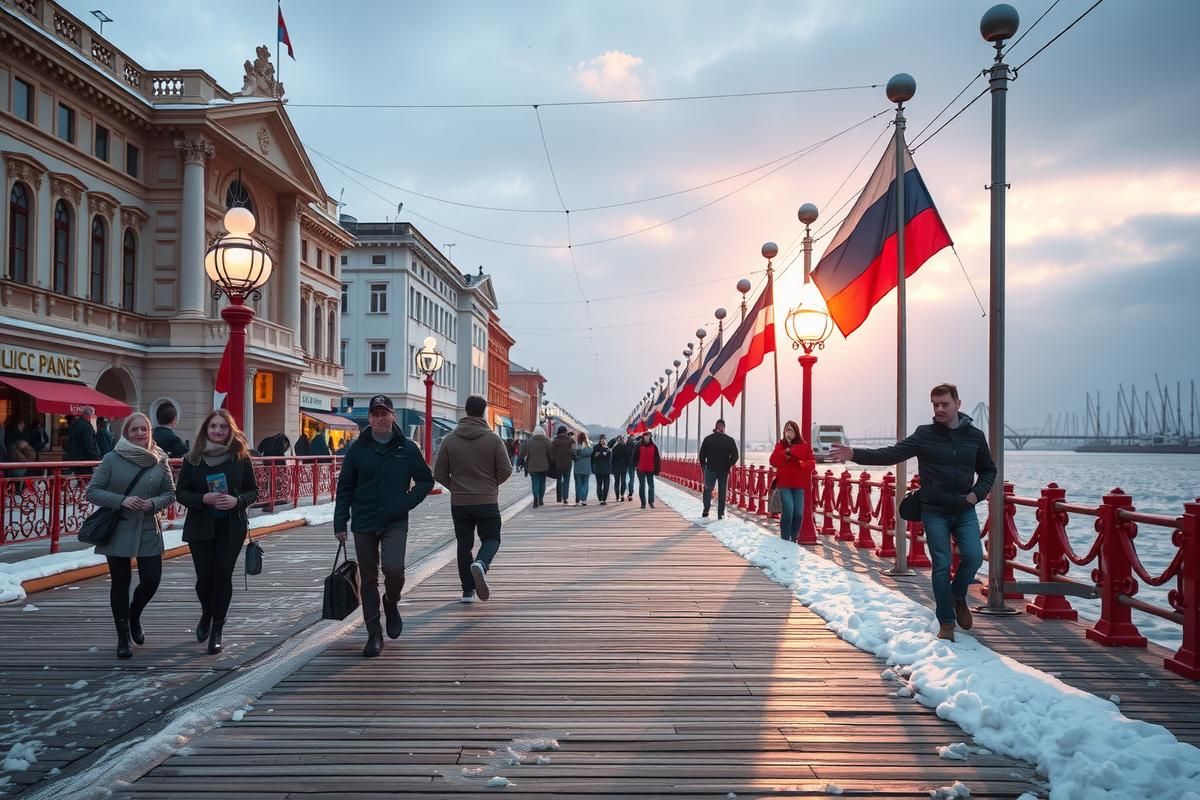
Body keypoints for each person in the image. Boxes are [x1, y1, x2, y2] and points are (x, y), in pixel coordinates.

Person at [831, 383, 996, 642]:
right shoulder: (925, 434)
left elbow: (988, 470)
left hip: (965, 508)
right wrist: (854, 453)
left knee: (974, 557)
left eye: (945, 404)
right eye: (935, 404)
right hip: (934, 509)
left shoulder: (974, 437)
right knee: (941, 564)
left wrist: (977, 493)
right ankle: (946, 621)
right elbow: (891, 454)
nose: (939, 409)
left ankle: (958, 594)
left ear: (958, 404)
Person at [333, 395, 434, 657]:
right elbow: (345, 487)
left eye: (384, 413)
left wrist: (406, 502)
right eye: (375, 414)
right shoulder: (357, 449)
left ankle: (391, 601)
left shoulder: (407, 448)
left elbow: (425, 480)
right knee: (368, 578)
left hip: (394, 520)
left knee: (394, 569)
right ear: (369, 418)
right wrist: (340, 521)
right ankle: (374, 633)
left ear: (393, 417)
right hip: (364, 520)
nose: (380, 418)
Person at [85, 413, 176, 659]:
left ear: (150, 432)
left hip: (148, 526)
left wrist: (153, 503)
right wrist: (122, 500)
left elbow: (169, 493)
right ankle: (123, 635)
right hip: (119, 527)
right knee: (120, 582)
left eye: (144, 429)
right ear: (126, 433)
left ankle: (134, 614)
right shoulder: (112, 459)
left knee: (151, 579)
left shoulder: (160, 459)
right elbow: (92, 492)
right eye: (134, 429)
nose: (139, 434)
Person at [176, 409, 260, 655]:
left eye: (223, 427)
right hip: (200, 525)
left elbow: (253, 490)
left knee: (222, 575)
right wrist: (203, 498)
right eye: (213, 426)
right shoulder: (192, 458)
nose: (217, 431)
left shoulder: (240, 457)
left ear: (230, 430)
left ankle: (217, 629)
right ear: (206, 430)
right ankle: (206, 613)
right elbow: (181, 493)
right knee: (204, 579)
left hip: (231, 526)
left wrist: (238, 501)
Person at [434, 395, 513, 604]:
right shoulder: (493, 439)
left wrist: (456, 488)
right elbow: (506, 470)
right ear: (484, 412)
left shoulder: (450, 439)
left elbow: (439, 473)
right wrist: (490, 486)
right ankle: (482, 564)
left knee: (463, 544)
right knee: (492, 538)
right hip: (486, 500)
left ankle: (467, 592)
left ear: (466, 411)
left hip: (460, 503)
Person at [769, 420, 816, 543]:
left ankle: (793, 539)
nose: (788, 432)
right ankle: (785, 539)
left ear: (796, 432)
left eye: (791, 430)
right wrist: (786, 453)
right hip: (783, 484)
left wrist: (801, 463)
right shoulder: (780, 445)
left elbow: (812, 463)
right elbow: (773, 462)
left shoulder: (804, 446)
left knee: (798, 513)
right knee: (788, 509)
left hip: (798, 485)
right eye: (786, 430)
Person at [699, 419, 739, 520]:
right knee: (722, 492)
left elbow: (702, 455)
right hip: (723, 470)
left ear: (716, 427)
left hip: (711, 468)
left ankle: (706, 509)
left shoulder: (708, 439)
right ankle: (720, 514)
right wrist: (728, 464)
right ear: (723, 427)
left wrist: (704, 466)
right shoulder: (729, 440)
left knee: (708, 489)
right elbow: (735, 456)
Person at [520, 428, 553, 507]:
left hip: (532, 466)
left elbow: (522, 453)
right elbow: (551, 455)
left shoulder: (529, 442)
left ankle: (535, 497)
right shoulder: (548, 442)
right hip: (544, 466)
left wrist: (521, 459)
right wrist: (550, 462)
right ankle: (541, 499)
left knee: (535, 482)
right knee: (542, 482)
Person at [65, 406, 101, 474]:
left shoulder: (75, 424)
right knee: (87, 481)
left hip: (75, 459)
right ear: (89, 415)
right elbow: (89, 444)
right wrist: (96, 457)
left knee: (81, 480)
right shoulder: (86, 426)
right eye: (92, 415)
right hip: (85, 460)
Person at [635, 431, 661, 509]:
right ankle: (643, 503)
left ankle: (651, 502)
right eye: (645, 437)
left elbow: (657, 459)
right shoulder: (638, 446)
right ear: (643, 437)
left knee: (651, 486)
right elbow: (634, 457)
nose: (647, 438)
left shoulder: (654, 447)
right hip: (641, 469)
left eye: (648, 437)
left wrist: (657, 469)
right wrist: (636, 466)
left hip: (650, 469)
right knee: (642, 486)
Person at [550, 426, 575, 504]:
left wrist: (553, 461)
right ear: (565, 432)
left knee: (559, 480)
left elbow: (552, 453)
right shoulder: (570, 440)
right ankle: (565, 498)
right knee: (566, 481)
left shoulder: (555, 441)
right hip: (568, 464)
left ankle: (558, 498)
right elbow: (574, 451)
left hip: (558, 464)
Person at [571, 432, 594, 506]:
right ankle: (584, 500)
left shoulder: (576, 446)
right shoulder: (590, 446)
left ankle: (578, 500)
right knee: (585, 484)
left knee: (578, 484)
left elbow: (573, 455)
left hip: (578, 468)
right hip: (587, 468)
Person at [591, 435, 613, 505]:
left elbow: (610, 458)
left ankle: (604, 499)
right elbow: (593, 458)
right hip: (599, 469)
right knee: (599, 485)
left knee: (606, 485)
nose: (603, 441)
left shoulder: (608, 448)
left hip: (606, 469)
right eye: (602, 439)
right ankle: (600, 499)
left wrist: (607, 450)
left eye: (604, 439)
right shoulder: (596, 447)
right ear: (599, 440)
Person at [611, 435, 630, 502]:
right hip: (623, 467)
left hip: (616, 467)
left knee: (617, 482)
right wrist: (627, 466)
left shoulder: (614, 448)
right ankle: (622, 495)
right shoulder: (625, 447)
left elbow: (612, 459)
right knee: (623, 481)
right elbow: (628, 458)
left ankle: (617, 496)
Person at [625, 435, 639, 501]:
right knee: (632, 479)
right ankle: (630, 493)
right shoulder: (635, 445)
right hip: (632, 464)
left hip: (625, 464)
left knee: (624, 478)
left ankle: (624, 490)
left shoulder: (624, 445)